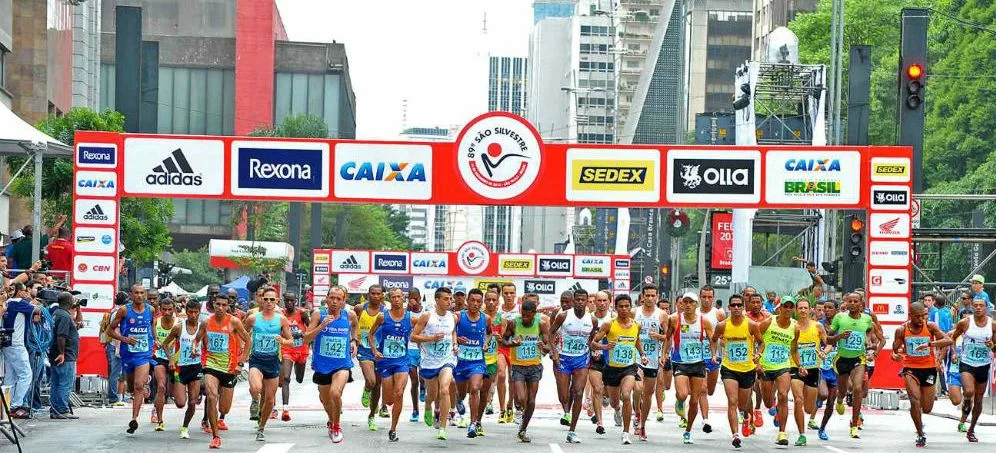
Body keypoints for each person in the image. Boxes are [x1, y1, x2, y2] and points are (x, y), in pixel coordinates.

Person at [890, 302, 951, 447]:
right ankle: (920, 433)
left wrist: (929, 345)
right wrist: (896, 356)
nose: (920, 320)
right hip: (910, 368)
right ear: (910, 316)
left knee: (927, 408)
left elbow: (948, 340)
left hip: (928, 368)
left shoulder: (930, 327)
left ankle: (919, 421)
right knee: (914, 400)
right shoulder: (901, 330)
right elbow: (894, 351)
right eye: (917, 317)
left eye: (923, 316)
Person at [194, 293, 250, 449]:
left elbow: (248, 341)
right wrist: (194, 349)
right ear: (213, 304)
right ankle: (215, 436)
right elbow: (197, 340)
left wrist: (241, 363)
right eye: (218, 304)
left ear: (228, 306)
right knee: (211, 396)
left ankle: (219, 418)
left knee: (224, 408)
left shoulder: (234, 322)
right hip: (210, 365)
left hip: (229, 368)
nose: (220, 308)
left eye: (224, 305)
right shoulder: (206, 322)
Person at [304, 286, 358, 444]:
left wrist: (354, 340)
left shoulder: (349, 314)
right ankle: (331, 419)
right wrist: (321, 326)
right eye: (332, 298)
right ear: (327, 298)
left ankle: (336, 426)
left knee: (335, 393)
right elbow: (306, 338)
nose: (334, 302)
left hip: (342, 364)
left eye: (338, 299)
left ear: (343, 301)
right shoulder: (318, 314)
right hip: (322, 365)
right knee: (326, 400)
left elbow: (355, 326)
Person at [592, 293, 648, 445]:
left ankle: (626, 432)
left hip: (629, 367)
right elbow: (593, 343)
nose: (624, 309)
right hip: (612, 369)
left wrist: (642, 354)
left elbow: (636, 341)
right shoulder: (609, 324)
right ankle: (617, 410)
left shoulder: (636, 325)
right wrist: (605, 346)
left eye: (626, 306)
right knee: (614, 402)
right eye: (621, 306)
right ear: (615, 308)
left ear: (631, 307)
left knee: (626, 394)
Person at [243, 287, 295, 442]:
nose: (269, 302)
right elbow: (241, 334)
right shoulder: (253, 318)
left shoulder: (281, 319)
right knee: (256, 387)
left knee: (270, 400)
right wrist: (243, 350)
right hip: (256, 359)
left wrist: (283, 341)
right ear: (261, 300)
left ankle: (261, 427)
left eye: (272, 300)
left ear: (277, 301)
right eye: (266, 299)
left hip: (272, 361)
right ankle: (254, 401)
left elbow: (291, 341)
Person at [711, 294, 764, 449]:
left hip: (747, 369)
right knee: (732, 401)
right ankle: (735, 435)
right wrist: (714, 354)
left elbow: (761, 343)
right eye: (733, 305)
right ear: (729, 308)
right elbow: (713, 340)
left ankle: (746, 415)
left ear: (743, 307)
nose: (736, 308)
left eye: (739, 305)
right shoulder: (722, 325)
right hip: (729, 369)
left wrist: (758, 355)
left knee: (742, 404)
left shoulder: (752, 325)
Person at [106, 284, 158, 434]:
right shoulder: (124, 310)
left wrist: (156, 339)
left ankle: (134, 418)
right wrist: (124, 339)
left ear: (145, 295)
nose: (139, 296)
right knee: (130, 387)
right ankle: (140, 386)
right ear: (131, 294)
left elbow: (152, 326)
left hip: (143, 354)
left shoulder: (151, 310)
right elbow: (110, 330)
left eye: (142, 293)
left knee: (138, 385)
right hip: (127, 353)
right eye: (136, 293)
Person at [827, 292, 878, 439]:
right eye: (850, 301)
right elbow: (828, 339)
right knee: (842, 390)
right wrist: (839, 337)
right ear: (846, 303)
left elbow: (869, 332)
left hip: (858, 359)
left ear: (861, 304)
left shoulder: (867, 319)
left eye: (856, 301)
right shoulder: (840, 318)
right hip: (842, 359)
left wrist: (869, 342)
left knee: (857, 388)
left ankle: (854, 424)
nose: (853, 304)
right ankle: (840, 399)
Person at [666, 292, 715, 444]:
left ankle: (688, 430)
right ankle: (680, 402)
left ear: (696, 305)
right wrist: (664, 354)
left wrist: (713, 354)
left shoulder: (704, 321)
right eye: (685, 302)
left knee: (694, 400)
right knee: (682, 394)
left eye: (691, 302)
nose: (687, 305)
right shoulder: (674, 319)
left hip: (698, 363)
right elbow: (668, 337)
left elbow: (712, 339)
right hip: (680, 361)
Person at [503, 295, 552, 443]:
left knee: (531, 401)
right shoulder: (513, 323)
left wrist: (543, 347)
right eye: (523, 315)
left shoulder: (541, 324)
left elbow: (548, 346)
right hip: (518, 366)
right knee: (520, 398)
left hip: (534, 366)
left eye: (528, 316)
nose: (525, 318)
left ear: (534, 314)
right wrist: (513, 344)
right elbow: (504, 341)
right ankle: (520, 415)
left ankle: (523, 428)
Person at [368, 287, 416, 441]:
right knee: (389, 400)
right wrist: (375, 350)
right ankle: (382, 405)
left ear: (404, 299)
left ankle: (393, 428)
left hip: (402, 361)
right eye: (393, 297)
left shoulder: (411, 318)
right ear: (389, 299)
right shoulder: (382, 317)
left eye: (399, 297)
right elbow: (370, 334)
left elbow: (423, 331)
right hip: (385, 362)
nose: (396, 299)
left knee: (399, 393)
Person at [411, 287, 459, 440]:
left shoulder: (453, 317)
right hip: (429, 361)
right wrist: (431, 339)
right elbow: (413, 337)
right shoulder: (427, 316)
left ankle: (443, 428)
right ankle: (427, 407)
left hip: (447, 358)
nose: (449, 301)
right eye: (446, 299)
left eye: (450, 299)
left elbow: (452, 332)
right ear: (437, 300)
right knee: (432, 394)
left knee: (444, 389)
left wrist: (455, 344)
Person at [549, 288, 595, 443]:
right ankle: (566, 406)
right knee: (564, 396)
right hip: (563, 359)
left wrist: (594, 350)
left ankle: (572, 430)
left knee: (579, 392)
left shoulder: (592, 320)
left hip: (581, 360)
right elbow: (551, 332)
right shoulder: (563, 316)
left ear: (587, 301)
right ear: (574, 301)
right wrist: (554, 352)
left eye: (584, 300)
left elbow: (592, 338)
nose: (580, 302)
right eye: (578, 300)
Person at [948, 297, 996, 442]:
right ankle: (967, 403)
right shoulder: (965, 323)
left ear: (986, 308)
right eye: (975, 305)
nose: (978, 308)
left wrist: (991, 345)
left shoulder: (993, 325)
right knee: (969, 391)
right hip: (967, 363)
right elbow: (952, 338)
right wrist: (955, 353)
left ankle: (971, 429)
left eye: (981, 305)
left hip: (983, 364)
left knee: (979, 400)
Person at [758, 296, 799, 446]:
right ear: (779, 308)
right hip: (766, 367)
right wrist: (757, 360)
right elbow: (756, 339)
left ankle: (782, 433)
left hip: (783, 366)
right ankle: (773, 404)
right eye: (785, 306)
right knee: (768, 402)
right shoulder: (769, 322)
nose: (788, 309)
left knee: (783, 395)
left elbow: (794, 350)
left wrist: (799, 365)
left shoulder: (795, 327)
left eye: (790, 307)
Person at [451, 288, 491, 438]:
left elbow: (489, 332)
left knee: (475, 388)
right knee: (462, 393)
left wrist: (486, 343)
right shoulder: (458, 316)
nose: (475, 304)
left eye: (478, 301)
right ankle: (457, 398)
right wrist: (456, 341)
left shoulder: (485, 318)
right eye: (472, 300)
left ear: (482, 303)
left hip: (477, 361)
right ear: (467, 301)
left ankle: (473, 423)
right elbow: (450, 330)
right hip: (461, 361)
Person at [161, 299, 204, 439]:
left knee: (192, 402)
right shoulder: (179, 327)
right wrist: (171, 359)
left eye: (195, 312)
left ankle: (185, 427)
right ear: (186, 312)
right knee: (180, 403)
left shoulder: (203, 328)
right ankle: (185, 393)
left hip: (196, 367)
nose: (192, 315)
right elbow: (165, 345)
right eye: (190, 312)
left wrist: (204, 360)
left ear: (199, 312)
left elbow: (207, 348)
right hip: (180, 369)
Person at [789, 297, 827, 446]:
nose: (803, 310)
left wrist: (825, 352)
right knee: (798, 399)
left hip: (813, 369)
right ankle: (802, 434)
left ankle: (812, 406)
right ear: (796, 310)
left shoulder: (817, 326)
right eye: (800, 308)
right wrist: (799, 365)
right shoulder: (793, 327)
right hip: (796, 367)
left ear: (810, 309)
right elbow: (790, 348)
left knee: (808, 408)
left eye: (806, 308)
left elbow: (827, 343)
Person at [633, 284, 666, 441]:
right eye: (648, 295)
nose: (650, 298)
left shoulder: (662, 315)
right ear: (642, 297)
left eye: (653, 295)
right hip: (637, 356)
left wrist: (659, 337)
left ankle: (643, 425)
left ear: (657, 297)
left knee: (648, 394)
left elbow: (669, 337)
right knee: (637, 388)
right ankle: (637, 414)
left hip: (653, 359)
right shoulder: (635, 313)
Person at [355, 285, 388, 421]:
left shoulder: (386, 312)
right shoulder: (360, 308)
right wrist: (353, 338)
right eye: (372, 293)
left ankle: (372, 415)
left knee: (378, 385)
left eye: (377, 294)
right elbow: (351, 322)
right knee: (371, 381)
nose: (375, 296)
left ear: (382, 296)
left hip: (380, 351)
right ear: (368, 294)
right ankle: (367, 389)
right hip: (364, 350)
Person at [697, 285, 726, 435]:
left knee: (710, 390)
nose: (707, 300)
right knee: (702, 389)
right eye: (704, 297)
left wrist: (724, 344)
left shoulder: (719, 314)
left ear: (713, 298)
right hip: (696, 357)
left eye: (710, 297)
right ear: (700, 297)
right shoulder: (693, 313)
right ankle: (705, 420)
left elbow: (724, 335)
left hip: (713, 357)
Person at [279, 292, 310, 421]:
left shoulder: (302, 313)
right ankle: (285, 409)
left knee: (299, 378)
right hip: (287, 349)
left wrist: (301, 334)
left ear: (296, 301)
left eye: (292, 301)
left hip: (301, 350)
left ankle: (299, 372)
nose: (290, 303)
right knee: (285, 378)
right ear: (284, 301)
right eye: (287, 301)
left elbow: (310, 329)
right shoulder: (280, 315)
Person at [48, 291, 79, 419]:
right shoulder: (65, 316)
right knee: (65, 383)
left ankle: (55, 409)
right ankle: (62, 409)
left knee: (56, 382)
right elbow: (61, 336)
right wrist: (62, 353)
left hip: (56, 353)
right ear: (69, 302)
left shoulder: (57, 313)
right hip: (65, 355)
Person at [588, 290, 614, 436]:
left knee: (611, 394)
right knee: (597, 389)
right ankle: (600, 423)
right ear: (594, 302)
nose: (602, 303)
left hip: (612, 359)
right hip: (594, 359)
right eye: (599, 300)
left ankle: (616, 407)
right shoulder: (589, 318)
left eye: (605, 301)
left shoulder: (614, 318)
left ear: (609, 302)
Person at [150, 298, 179, 430]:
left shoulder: (179, 324)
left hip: (176, 360)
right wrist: (155, 341)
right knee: (161, 386)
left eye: (169, 310)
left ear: (174, 309)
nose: (167, 312)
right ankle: (159, 418)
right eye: (164, 310)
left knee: (177, 397)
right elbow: (153, 338)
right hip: (160, 358)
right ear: (160, 309)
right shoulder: (156, 322)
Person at [815, 300, 839, 440]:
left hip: (835, 367)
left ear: (836, 310)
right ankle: (818, 397)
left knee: (831, 403)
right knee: (824, 394)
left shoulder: (841, 324)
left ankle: (822, 428)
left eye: (830, 308)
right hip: (821, 365)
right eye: (825, 308)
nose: (827, 310)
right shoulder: (819, 325)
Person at [481, 289, 502, 423]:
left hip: (494, 355)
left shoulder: (502, 319)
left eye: (494, 300)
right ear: (485, 301)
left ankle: (488, 402)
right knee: (475, 386)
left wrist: (500, 338)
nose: (491, 302)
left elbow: (505, 338)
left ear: (498, 302)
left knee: (490, 383)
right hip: (478, 356)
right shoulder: (480, 317)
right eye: (488, 299)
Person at [406, 288, 425, 422]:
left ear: (419, 298)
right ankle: (415, 410)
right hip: (410, 348)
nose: (413, 301)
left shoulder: (426, 312)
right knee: (413, 381)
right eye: (410, 298)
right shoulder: (405, 312)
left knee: (422, 377)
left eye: (416, 298)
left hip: (424, 348)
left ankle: (423, 386)